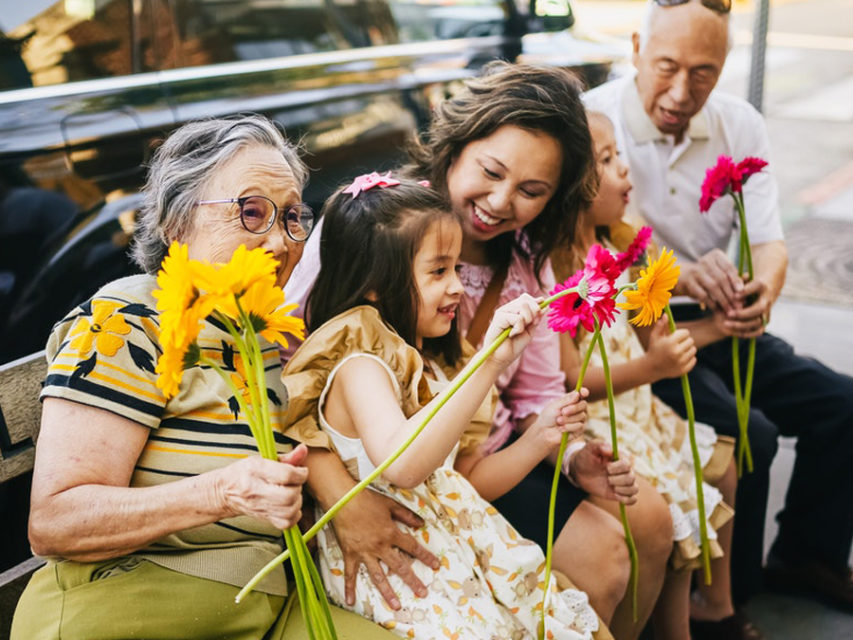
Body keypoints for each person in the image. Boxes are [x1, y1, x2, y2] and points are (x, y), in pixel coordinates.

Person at [286, 62, 672, 640]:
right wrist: (342, 499)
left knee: (653, 521)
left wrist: (567, 457)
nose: (499, 201)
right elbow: (287, 374)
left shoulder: (528, 262)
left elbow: (537, 394)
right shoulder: (373, 228)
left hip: (480, 457)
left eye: (531, 191)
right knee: (604, 559)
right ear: (455, 146)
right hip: (399, 473)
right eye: (491, 172)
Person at [10, 115, 382, 639]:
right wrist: (221, 493)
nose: (280, 241)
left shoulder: (265, 333)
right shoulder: (130, 320)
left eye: (293, 216)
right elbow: (55, 523)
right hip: (135, 610)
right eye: (251, 212)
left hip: (266, 608)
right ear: (176, 223)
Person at [584, 0, 853, 617]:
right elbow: (605, 240)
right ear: (635, 50)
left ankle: (806, 556)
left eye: (703, 72)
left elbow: (768, 239)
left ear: (725, 65)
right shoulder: (594, 120)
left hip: (719, 318)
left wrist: (762, 292)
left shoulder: (740, 123)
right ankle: (729, 599)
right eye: (667, 67)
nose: (682, 91)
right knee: (746, 430)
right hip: (637, 328)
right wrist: (678, 273)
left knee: (840, 406)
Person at [281, 174, 603, 639]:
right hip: (403, 572)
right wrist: (488, 366)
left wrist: (537, 440)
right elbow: (404, 464)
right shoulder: (359, 365)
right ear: (374, 283)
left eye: (455, 268)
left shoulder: (426, 367)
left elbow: (460, 482)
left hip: (456, 552)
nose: (457, 287)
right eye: (438, 271)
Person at [553, 111, 747, 640]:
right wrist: (653, 365)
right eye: (608, 160)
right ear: (572, 183)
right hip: (603, 422)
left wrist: (713, 328)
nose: (625, 171)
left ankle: (708, 611)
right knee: (677, 496)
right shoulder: (560, 272)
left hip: (640, 409)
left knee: (717, 465)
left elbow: (650, 337)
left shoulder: (617, 252)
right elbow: (576, 379)